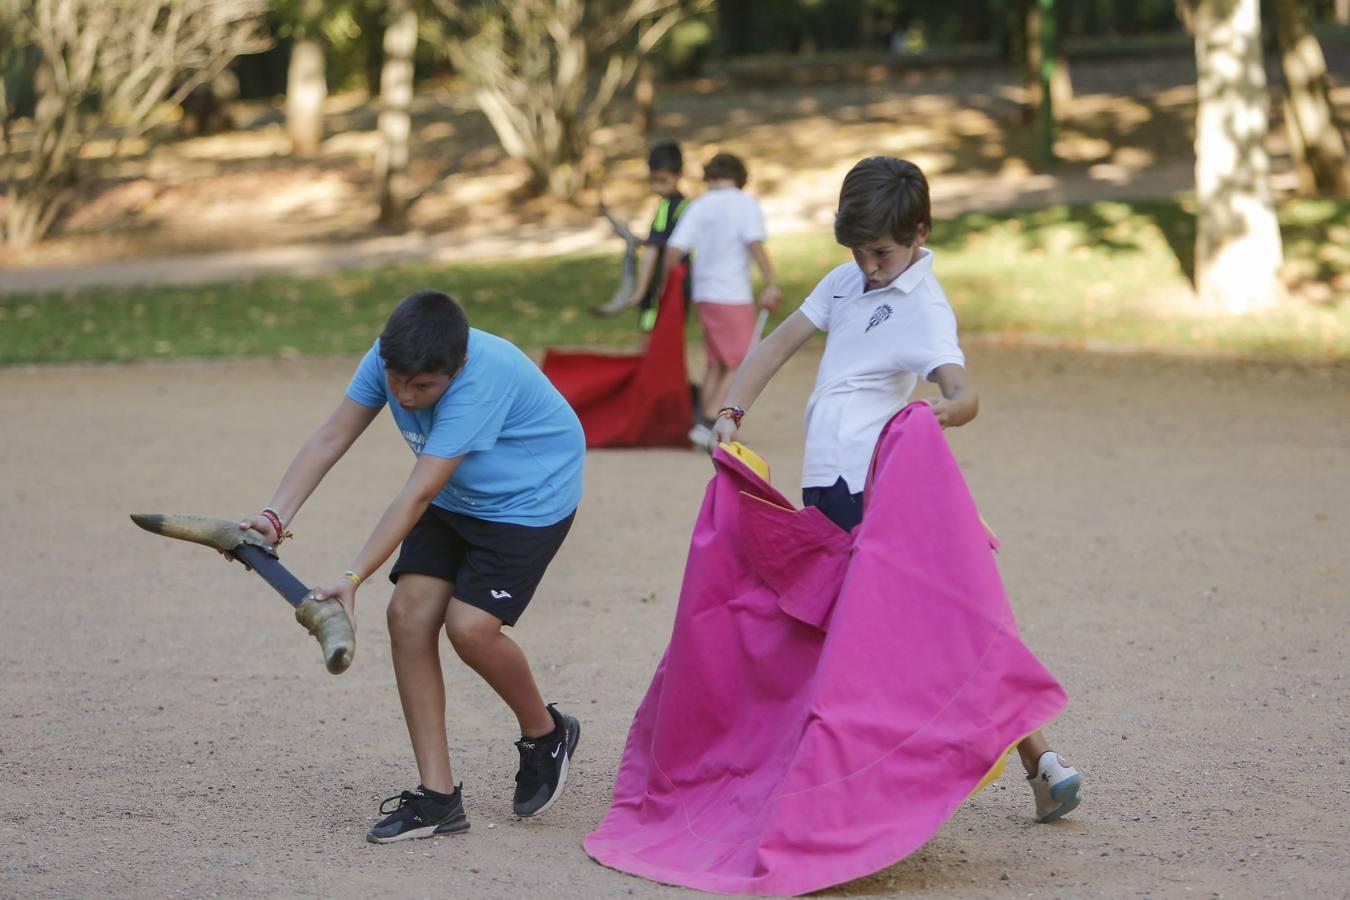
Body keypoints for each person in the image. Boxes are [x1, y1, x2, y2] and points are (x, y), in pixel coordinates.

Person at [709, 156, 1083, 823]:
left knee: (888, 635)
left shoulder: (924, 307)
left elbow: (958, 386)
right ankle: (1040, 760)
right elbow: (774, 348)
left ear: (918, 233)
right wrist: (732, 411)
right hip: (825, 491)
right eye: (857, 250)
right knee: (933, 623)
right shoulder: (844, 282)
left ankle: (841, 787)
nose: (868, 265)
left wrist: (952, 409)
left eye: (880, 252)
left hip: (867, 496)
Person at [239, 289, 586, 843]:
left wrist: (353, 578)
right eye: (396, 380)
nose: (403, 395)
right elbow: (332, 436)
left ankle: (545, 733)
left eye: (421, 387)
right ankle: (439, 799)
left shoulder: (481, 379)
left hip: (527, 501)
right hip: (457, 496)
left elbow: (418, 492)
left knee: (470, 628)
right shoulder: (389, 359)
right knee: (407, 616)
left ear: (458, 366)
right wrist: (273, 517)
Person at [661, 152, 782, 449]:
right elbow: (754, 242)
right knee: (740, 360)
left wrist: (668, 288)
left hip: (705, 293)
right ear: (740, 177)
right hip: (732, 293)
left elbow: (673, 250)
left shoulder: (699, 206)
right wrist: (770, 281)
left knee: (717, 362)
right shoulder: (745, 203)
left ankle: (702, 417)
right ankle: (708, 424)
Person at [594, 140, 689, 333]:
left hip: (661, 282)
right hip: (679, 281)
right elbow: (661, 240)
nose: (657, 187)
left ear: (679, 175)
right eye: (653, 181)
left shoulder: (668, 207)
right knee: (669, 329)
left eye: (663, 181)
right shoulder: (684, 205)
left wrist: (640, 290)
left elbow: (654, 250)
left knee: (652, 328)